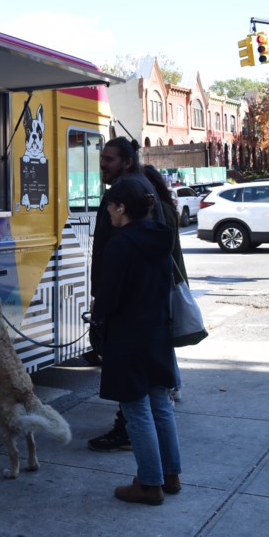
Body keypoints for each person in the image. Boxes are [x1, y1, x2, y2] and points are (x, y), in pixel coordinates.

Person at [95, 176, 181, 505]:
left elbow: (110, 295)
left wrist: (98, 310)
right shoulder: (161, 236)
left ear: (121, 208)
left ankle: (149, 483)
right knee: (160, 405)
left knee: (136, 409)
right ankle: (170, 475)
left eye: (111, 208)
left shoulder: (121, 244)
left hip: (128, 334)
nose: (109, 215)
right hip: (158, 330)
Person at [87, 137, 163, 452]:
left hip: (126, 305)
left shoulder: (126, 193)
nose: (103, 164)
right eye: (102, 158)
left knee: (129, 381)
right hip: (141, 304)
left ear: (127, 162)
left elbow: (119, 253)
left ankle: (128, 432)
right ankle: (158, 462)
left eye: (110, 159)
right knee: (150, 389)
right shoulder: (138, 185)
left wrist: (102, 304)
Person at [142, 165, 187, 403]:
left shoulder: (160, 211)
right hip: (173, 278)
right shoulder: (167, 208)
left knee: (164, 341)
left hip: (168, 281)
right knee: (165, 340)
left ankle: (173, 385)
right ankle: (174, 384)